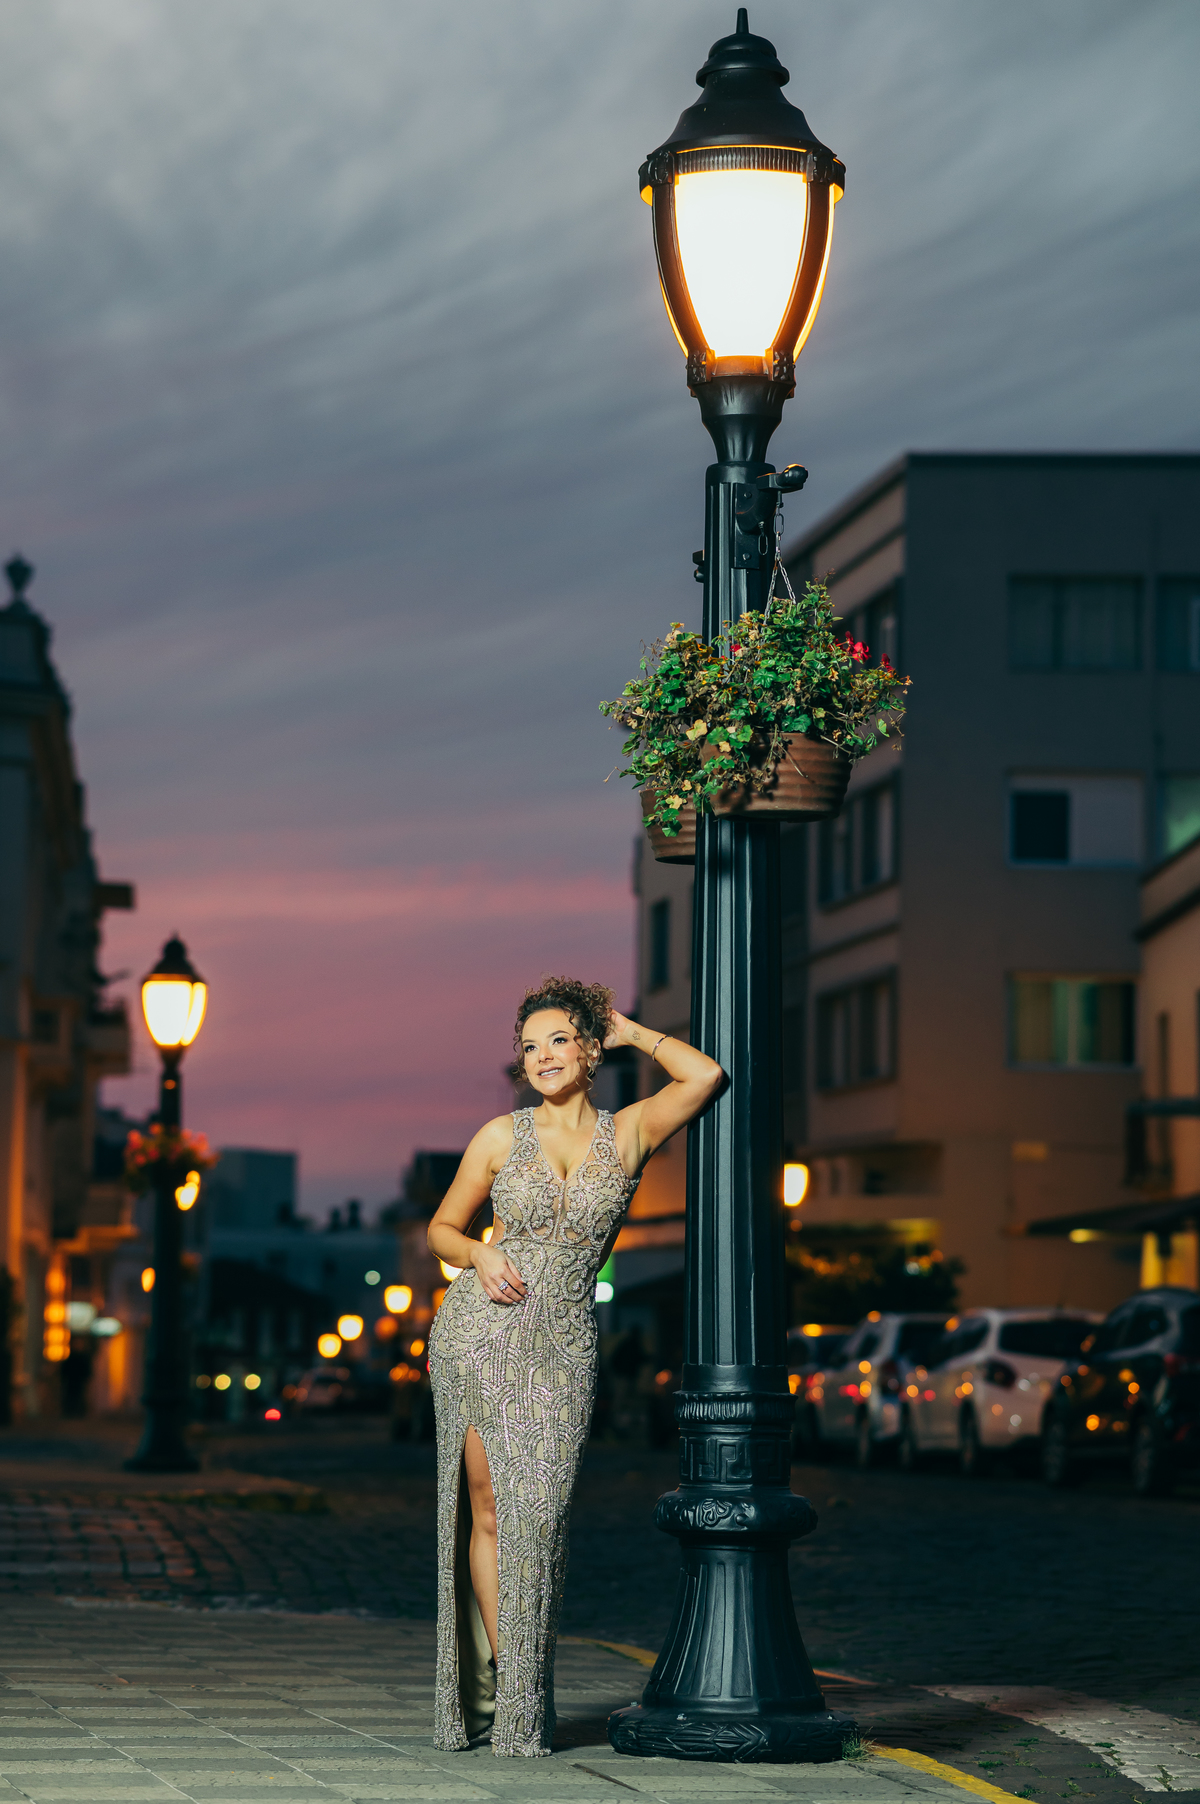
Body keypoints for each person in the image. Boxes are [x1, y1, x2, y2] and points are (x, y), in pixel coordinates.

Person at [426, 976, 722, 1758]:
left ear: (590, 1051)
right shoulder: (499, 1135)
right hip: (479, 1333)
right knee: (488, 1510)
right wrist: (480, 1252)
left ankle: (516, 1683)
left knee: (543, 1516)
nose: (541, 1056)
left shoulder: (627, 1132)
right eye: (528, 1046)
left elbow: (706, 1076)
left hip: (563, 1343)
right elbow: (442, 1230)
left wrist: (630, 1030)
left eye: (558, 1039)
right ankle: (515, 1695)